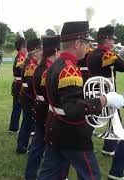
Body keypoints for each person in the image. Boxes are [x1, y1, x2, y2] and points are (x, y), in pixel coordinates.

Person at [37, 21, 124, 180]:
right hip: (72, 134)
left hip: (55, 128)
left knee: (50, 175)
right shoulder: (70, 68)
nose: (87, 47)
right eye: (86, 42)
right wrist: (105, 99)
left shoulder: (56, 64)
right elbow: (73, 109)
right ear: (77, 43)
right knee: (91, 176)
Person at [25, 35, 70, 180]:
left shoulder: (41, 67)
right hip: (46, 111)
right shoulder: (47, 70)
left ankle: (31, 175)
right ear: (56, 51)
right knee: (45, 148)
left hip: (40, 108)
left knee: (37, 146)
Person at [87, 25, 124, 157]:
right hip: (108, 91)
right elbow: (122, 67)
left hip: (94, 91)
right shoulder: (107, 54)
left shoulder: (91, 53)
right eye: (112, 40)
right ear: (106, 39)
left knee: (92, 119)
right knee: (114, 118)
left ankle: (98, 146)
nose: (113, 42)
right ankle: (109, 148)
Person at [16, 38, 42, 154]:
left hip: (27, 97)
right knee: (27, 123)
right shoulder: (31, 65)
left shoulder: (32, 63)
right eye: (41, 49)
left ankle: (23, 147)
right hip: (29, 98)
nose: (42, 52)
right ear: (35, 51)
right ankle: (22, 147)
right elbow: (32, 85)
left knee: (27, 122)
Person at [9, 37, 27, 133]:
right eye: (26, 47)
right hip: (19, 84)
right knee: (18, 107)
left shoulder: (21, 56)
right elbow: (21, 70)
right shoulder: (21, 57)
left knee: (17, 107)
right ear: (22, 47)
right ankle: (14, 127)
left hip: (17, 83)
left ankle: (13, 127)